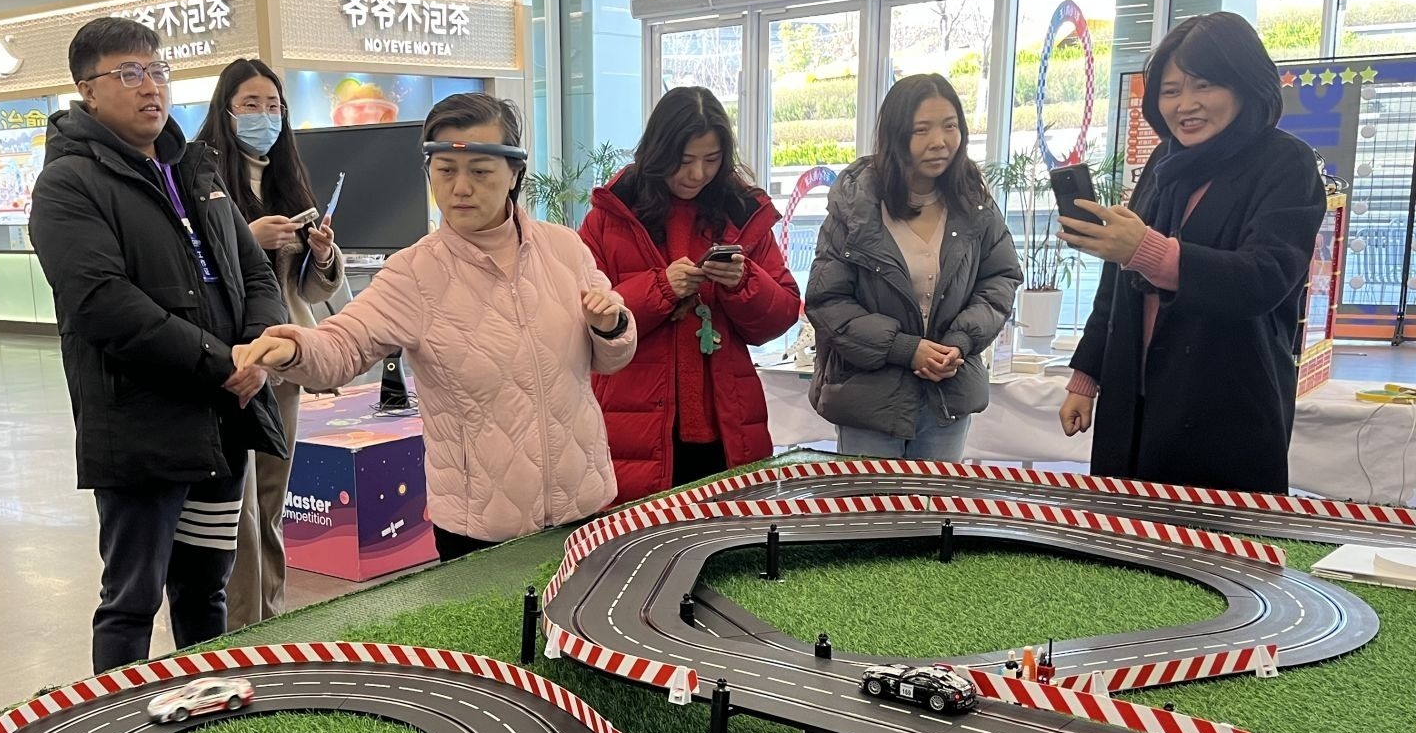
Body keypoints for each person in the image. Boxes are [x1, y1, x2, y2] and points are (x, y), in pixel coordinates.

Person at [238, 94, 635, 561]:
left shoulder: (565, 249)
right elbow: (344, 344)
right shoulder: (414, 273)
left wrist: (611, 326)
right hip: (479, 528)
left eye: (480, 172)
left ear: (514, 173)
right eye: (445, 171)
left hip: (584, 506)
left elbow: (611, 358)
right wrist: (294, 347)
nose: (460, 188)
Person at [28, 19, 286, 671]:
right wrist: (221, 363)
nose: (152, 87)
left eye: (158, 70)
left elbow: (255, 273)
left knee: (205, 588)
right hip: (141, 428)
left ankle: (211, 708)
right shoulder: (68, 184)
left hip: (221, 421)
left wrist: (254, 349)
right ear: (87, 90)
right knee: (132, 599)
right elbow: (103, 305)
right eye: (130, 73)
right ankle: (114, 719)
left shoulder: (195, 170)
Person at [1058, 12, 1325, 493]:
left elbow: (1265, 276)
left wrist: (1148, 251)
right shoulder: (1166, 160)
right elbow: (1119, 281)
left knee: (1214, 539)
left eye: (1204, 85)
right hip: (1135, 403)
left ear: (1244, 84)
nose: (1186, 104)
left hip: (1224, 409)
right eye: (1171, 90)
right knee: (1123, 533)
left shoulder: (1286, 162)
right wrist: (1086, 376)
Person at [579, 86, 802, 502]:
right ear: (658, 152)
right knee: (640, 537)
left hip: (727, 426)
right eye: (683, 161)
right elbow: (584, 321)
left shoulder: (741, 213)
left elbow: (782, 314)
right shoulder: (609, 217)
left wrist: (743, 281)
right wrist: (661, 288)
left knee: (730, 535)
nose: (697, 174)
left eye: (711, 160)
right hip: (634, 425)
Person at [193, 58, 344, 626]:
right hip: (235, 360)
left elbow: (307, 287)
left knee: (272, 504)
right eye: (251, 105)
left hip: (285, 358)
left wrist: (322, 253)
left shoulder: (286, 178)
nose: (265, 117)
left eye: (274, 106)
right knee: (240, 514)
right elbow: (194, 271)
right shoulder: (200, 177)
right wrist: (246, 238)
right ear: (226, 111)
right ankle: (240, 629)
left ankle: (273, 619)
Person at [805, 73, 1021, 459]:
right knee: (873, 500)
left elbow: (1000, 279)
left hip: (947, 395)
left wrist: (959, 341)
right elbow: (827, 301)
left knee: (936, 499)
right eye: (922, 130)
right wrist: (905, 349)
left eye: (950, 126)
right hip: (869, 400)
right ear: (895, 135)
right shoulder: (856, 206)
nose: (939, 141)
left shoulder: (974, 203)